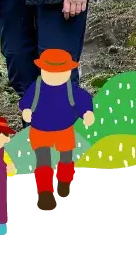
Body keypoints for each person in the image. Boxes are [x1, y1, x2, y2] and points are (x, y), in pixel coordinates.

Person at [19, 48, 94, 212]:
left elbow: (83, 100)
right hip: (40, 130)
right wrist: (26, 111)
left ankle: (64, 183)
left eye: (60, 72)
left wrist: (87, 113)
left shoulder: (70, 88)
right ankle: (45, 192)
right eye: (50, 72)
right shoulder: (37, 87)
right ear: (42, 70)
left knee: (66, 158)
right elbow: (26, 102)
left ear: (68, 72)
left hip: (64, 130)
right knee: (43, 161)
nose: (55, 76)